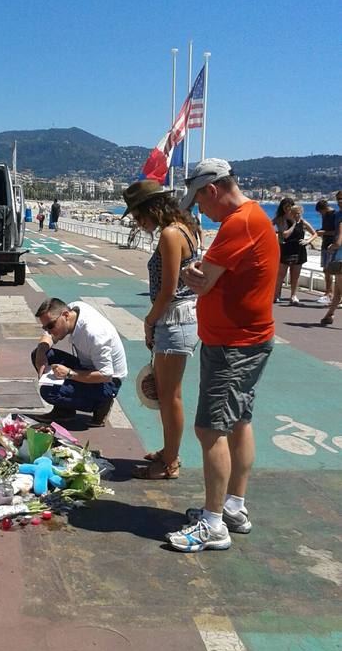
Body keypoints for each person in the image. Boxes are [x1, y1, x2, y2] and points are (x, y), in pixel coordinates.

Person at [164, 159, 279, 553]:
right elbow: (212, 276)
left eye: (199, 202)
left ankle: (213, 525)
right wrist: (203, 276)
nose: (199, 211)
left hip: (233, 345)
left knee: (211, 429)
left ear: (211, 191)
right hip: (246, 339)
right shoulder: (253, 218)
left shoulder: (238, 222)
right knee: (238, 421)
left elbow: (202, 280)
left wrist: (194, 276)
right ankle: (233, 506)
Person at [121, 180, 200, 480]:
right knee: (169, 395)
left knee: (170, 397)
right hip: (184, 318)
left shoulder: (169, 234)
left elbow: (168, 291)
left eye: (139, 217)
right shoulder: (186, 228)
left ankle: (170, 463)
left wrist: (149, 321)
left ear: (150, 210)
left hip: (173, 319)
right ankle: (169, 453)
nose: (138, 223)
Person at [32, 297, 128, 426]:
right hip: (87, 366)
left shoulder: (95, 335)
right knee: (40, 353)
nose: (48, 331)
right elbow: (47, 336)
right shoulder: (74, 309)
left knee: (49, 392)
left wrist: (69, 373)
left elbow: (106, 375)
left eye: (50, 326)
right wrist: (41, 352)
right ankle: (64, 411)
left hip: (108, 382)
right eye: (45, 327)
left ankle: (101, 404)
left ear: (65, 315)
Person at [274, 203, 318, 304]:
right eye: (294, 213)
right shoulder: (286, 222)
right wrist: (294, 224)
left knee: (295, 275)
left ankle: (293, 296)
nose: (296, 215)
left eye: (298, 213)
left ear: (301, 213)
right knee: (281, 274)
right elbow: (285, 235)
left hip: (299, 250)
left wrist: (308, 241)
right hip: (287, 249)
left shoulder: (303, 222)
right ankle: (276, 295)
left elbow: (315, 233)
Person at [320, 192, 342, 326]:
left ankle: (329, 314)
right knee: (338, 290)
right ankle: (329, 315)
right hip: (338, 255)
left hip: (340, 255)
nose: (340, 201)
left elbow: (339, 237)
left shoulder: (340, 217)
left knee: (339, 289)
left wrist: (333, 246)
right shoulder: (338, 214)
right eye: (339, 199)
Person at [271, 197, 294, 302]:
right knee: (280, 272)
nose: (287, 209)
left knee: (293, 272)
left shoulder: (295, 217)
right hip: (282, 245)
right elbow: (269, 224)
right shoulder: (280, 218)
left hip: (294, 245)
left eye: (289, 207)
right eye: (285, 207)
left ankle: (292, 295)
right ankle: (277, 293)